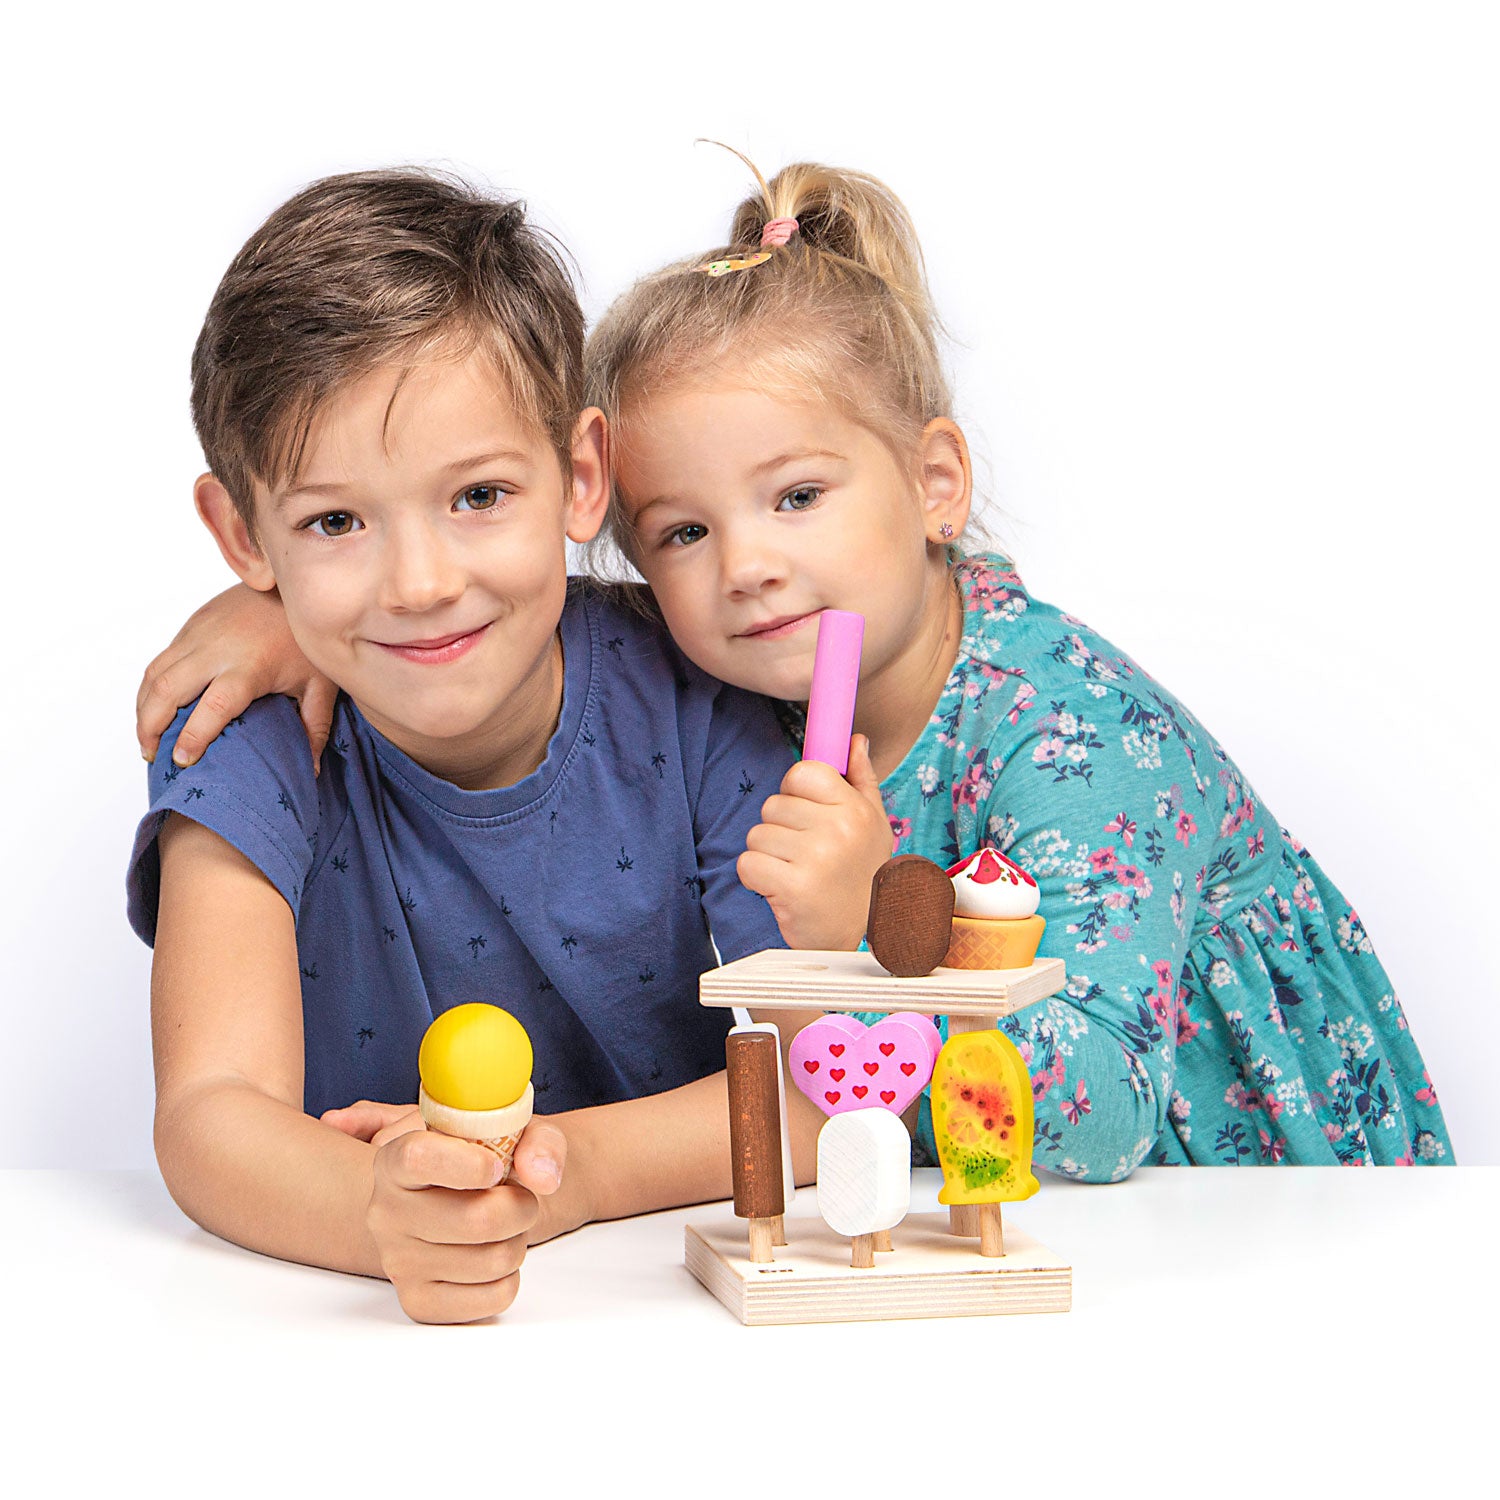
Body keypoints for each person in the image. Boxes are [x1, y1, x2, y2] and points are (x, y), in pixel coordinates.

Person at [141, 154, 1453, 1177]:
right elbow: (479, 577)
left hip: (1257, 1205)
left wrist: (866, 933)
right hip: (957, 1225)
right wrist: (274, 604)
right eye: (687, 531)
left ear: (937, 481)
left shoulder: (1074, 734)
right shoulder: (720, 691)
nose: (746, 568)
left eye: (800, 496)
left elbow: (1101, 1116)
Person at [127, 167, 813, 1325]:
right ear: (242, 534)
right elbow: (210, 1114)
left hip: (674, 1315)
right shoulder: (244, 736)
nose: (421, 583)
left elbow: (819, 1079)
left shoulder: (700, 699)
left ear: (581, 476)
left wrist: (570, 1173)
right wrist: (378, 1214)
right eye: (335, 522)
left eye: (479, 495)